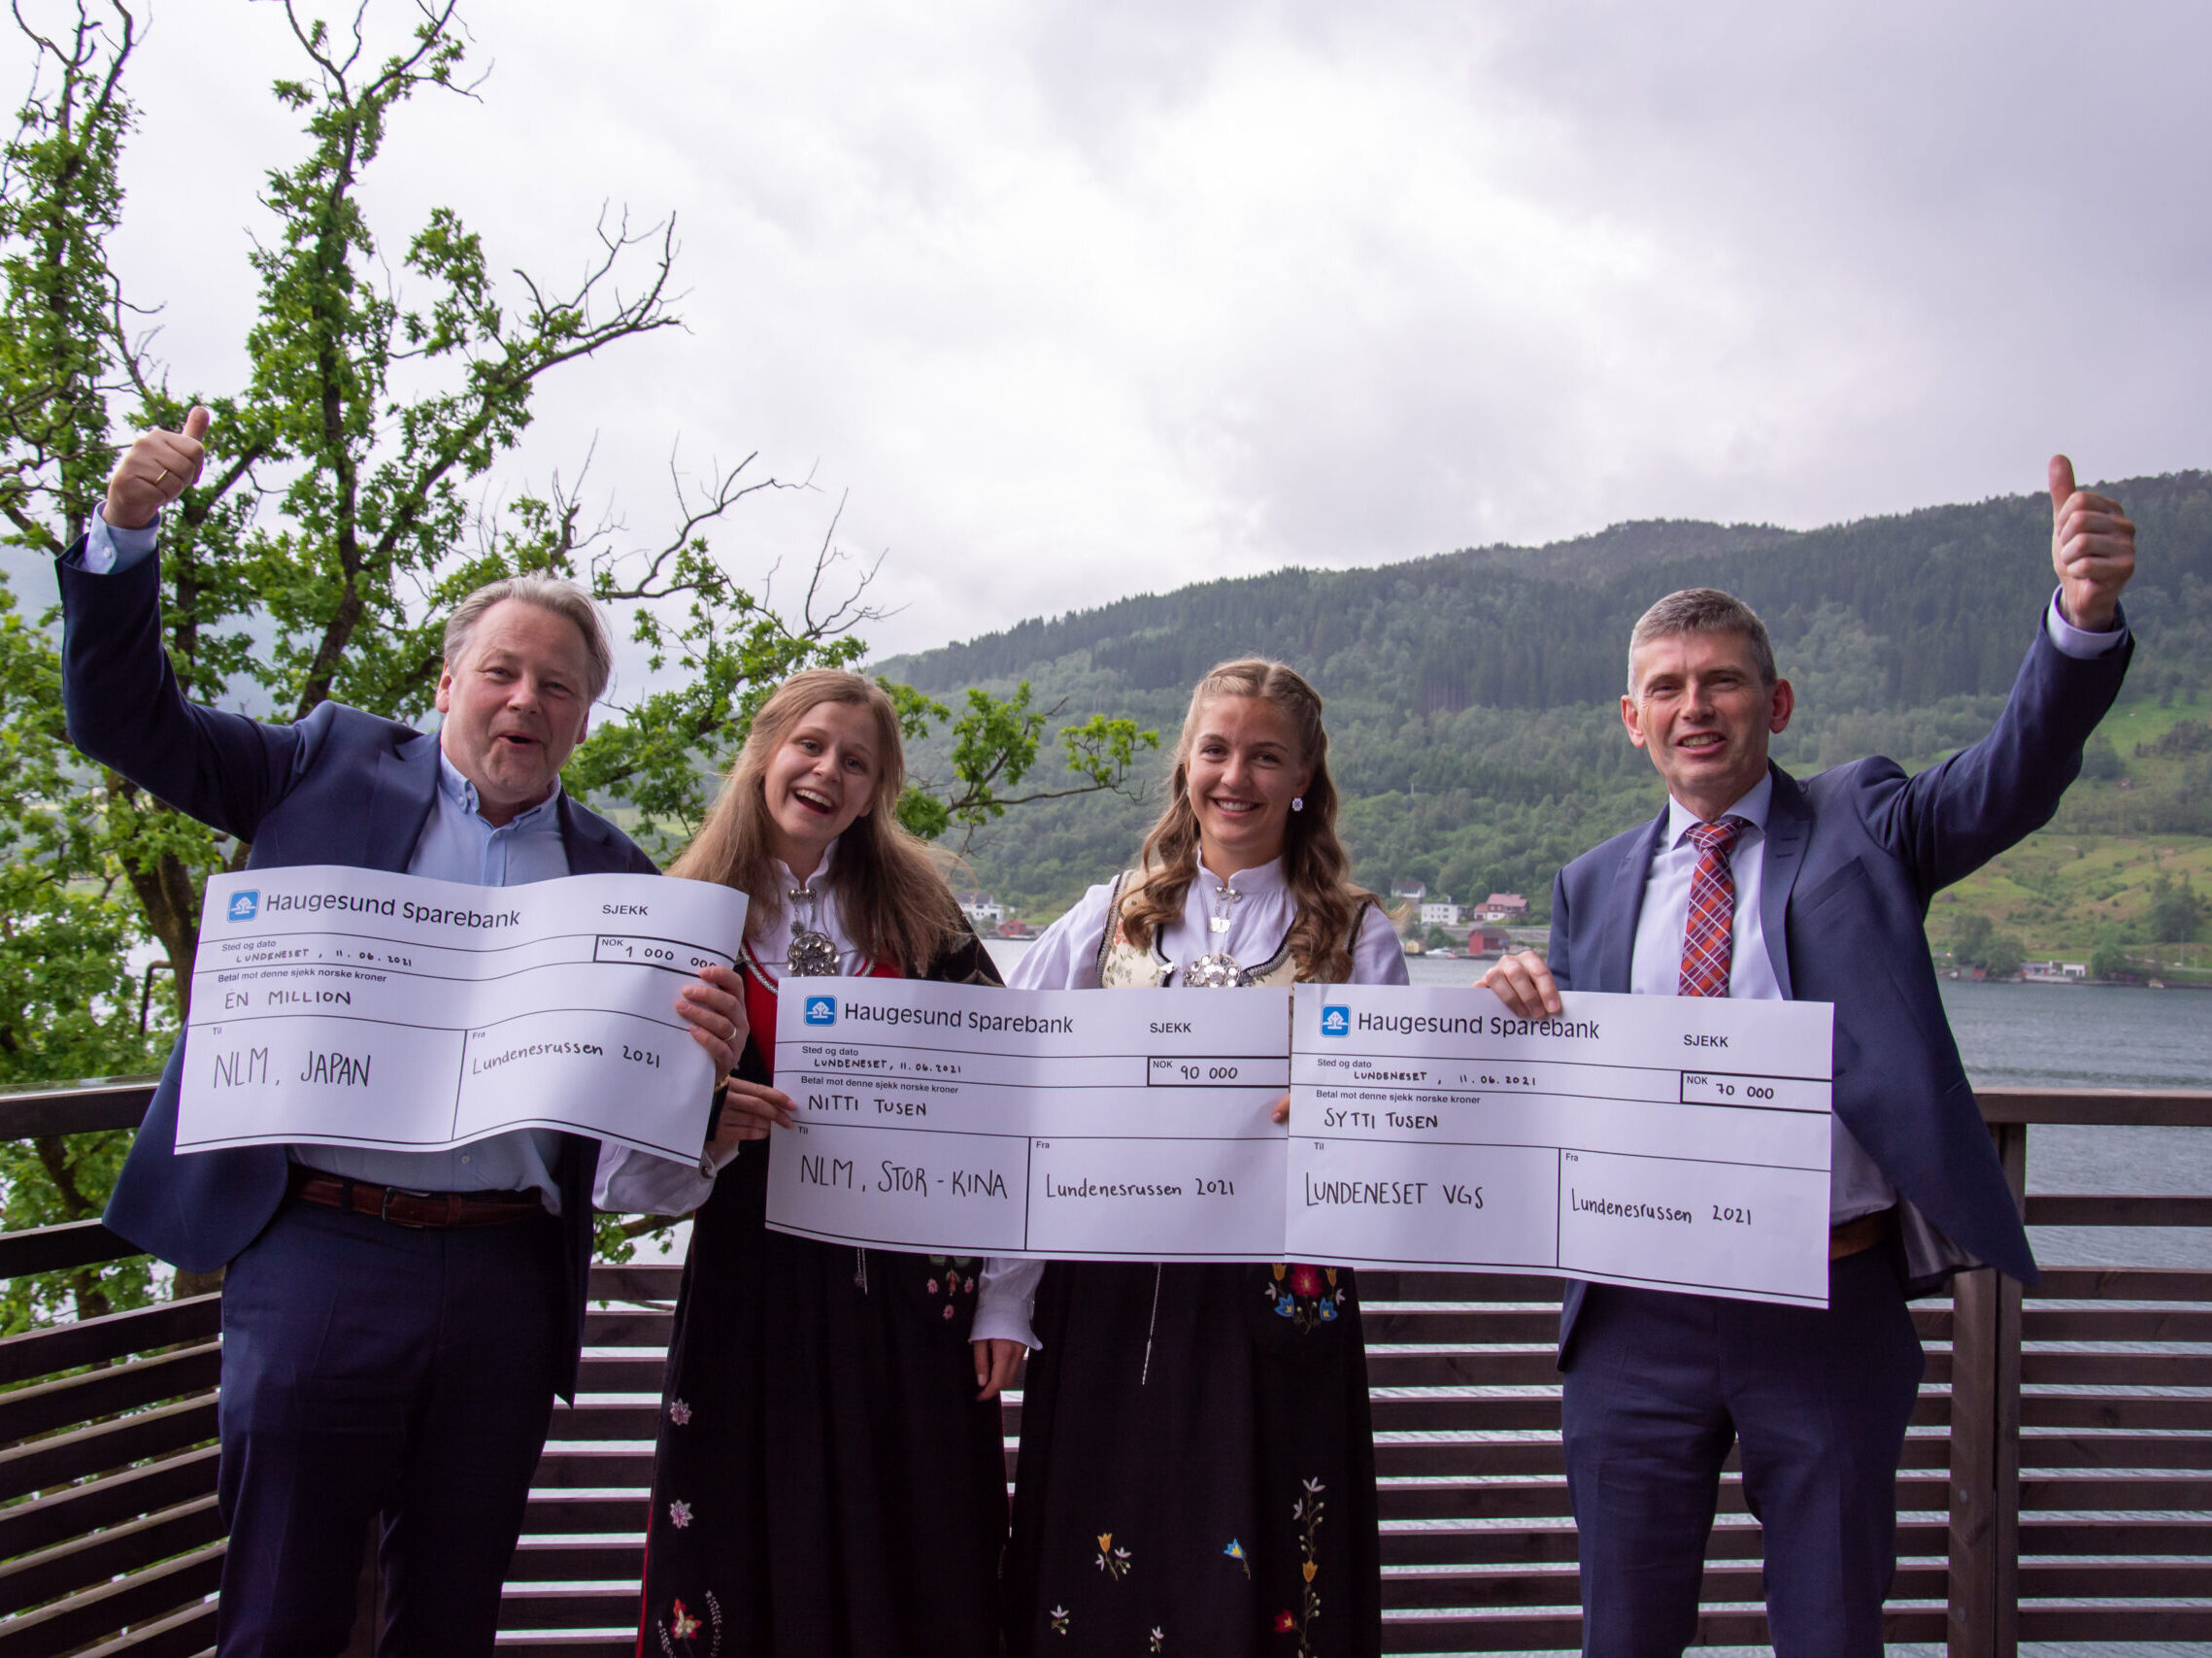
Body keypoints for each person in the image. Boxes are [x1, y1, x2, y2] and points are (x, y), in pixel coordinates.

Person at [61, 409, 749, 1654]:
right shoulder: (316, 765)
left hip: (504, 1276)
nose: (525, 699)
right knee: (279, 1616)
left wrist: (702, 1069)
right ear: (446, 685)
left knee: (450, 1621)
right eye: (501, 672)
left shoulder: (625, 883)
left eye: (557, 686)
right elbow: (124, 720)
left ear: (584, 718)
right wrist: (126, 533)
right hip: (317, 1249)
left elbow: (637, 1128)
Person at [1480, 457, 2137, 1656]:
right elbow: (1566, 1094)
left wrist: (2078, 624)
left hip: (1826, 1301)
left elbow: (2011, 776)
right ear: (1632, 720)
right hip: (1633, 1319)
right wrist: (1506, 1020)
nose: (1695, 707)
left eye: (1722, 681)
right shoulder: (1587, 885)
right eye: (1667, 688)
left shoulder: (1864, 821)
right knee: (1623, 1635)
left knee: (1832, 1630)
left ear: (1774, 704)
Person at [595, 668, 1016, 1658]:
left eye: (857, 763)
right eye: (811, 746)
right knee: (751, 1546)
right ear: (765, 754)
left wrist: (1002, 1299)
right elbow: (617, 1174)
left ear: (875, 793)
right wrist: (707, 1134)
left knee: (919, 1558)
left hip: (912, 1304)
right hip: (754, 1292)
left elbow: (1007, 1108)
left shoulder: (927, 923)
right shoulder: (681, 922)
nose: (829, 772)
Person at [995, 658, 1405, 1658]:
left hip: (1278, 1299)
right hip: (1110, 1294)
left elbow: (1391, 1140)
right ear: (1185, 763)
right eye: (1216, 750)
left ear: (1303, 775)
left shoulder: (1359, 937)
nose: (1236, 776)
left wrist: (1346, 1118)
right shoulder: (1105, 919)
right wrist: (1005, 1296)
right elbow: (1015, 1091)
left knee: (1261, 1559)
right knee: (1105, 1551)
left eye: (1265, 756)